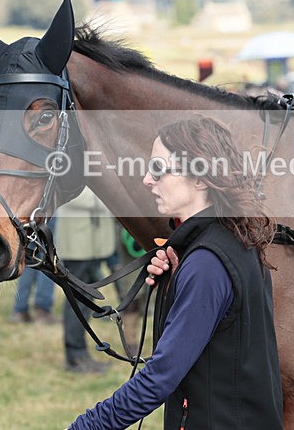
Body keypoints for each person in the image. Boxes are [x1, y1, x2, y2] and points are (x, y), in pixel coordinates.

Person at [70, 115, 283, 429]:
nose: (146, 179)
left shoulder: (206, 264)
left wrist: (86, 426)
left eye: (158, 168)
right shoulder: (229, 237)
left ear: (199, 178)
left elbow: (159, 377)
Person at [58, 188, 117, 374]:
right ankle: (75, 357)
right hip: (78, 246)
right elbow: (68, 194)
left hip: (93, 246)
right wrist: (107, 197)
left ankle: (81, 355)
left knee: (85, 303)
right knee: (76, 302)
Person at [8, 218, 58, 325]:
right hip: (46, 211)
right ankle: (42, 310)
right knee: (48, 258)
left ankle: (20, 310)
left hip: (29, 213)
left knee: (28, 258)